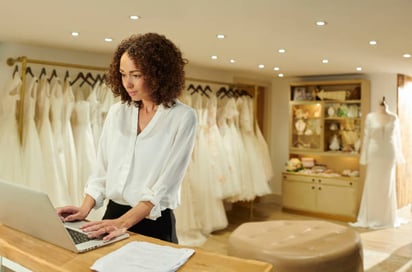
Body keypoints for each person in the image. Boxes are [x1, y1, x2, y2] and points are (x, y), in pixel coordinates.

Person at [57, 33, 197, 243]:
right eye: (123, 74)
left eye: (136, 75)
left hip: (153, 222)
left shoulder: (183, 117)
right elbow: (102, 171)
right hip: (112, 216)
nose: (127, 83)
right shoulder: (117, 112)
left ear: (159, 74)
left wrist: (123, 223)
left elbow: (165, 185)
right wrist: (84, 209)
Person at [350, 96, 405, 229]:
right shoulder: (370, 117)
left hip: (388, 154)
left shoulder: (394, 117)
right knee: (373, 183)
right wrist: (363, 157)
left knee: (387, 185)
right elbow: (366, 137)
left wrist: (399, 157)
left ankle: (386, 217)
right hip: (374, 153)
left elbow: (397, 138)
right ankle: (372, 216)